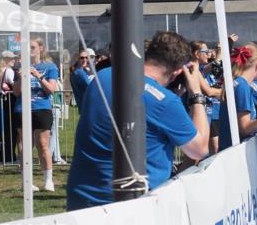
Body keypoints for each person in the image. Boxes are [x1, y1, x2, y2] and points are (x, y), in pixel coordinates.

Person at [67, 32, 213, 210]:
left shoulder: (103, 76)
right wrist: (196, 93)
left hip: (82, 198)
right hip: (131, 206)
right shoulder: (165, 102)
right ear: (177, 72)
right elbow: (199, 149)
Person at [13, 38, 60, 191]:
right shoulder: (19, 66)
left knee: (43, 144)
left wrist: (38, 76)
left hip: (42, 108)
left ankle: (48, 180)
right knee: (24, 145)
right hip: (22, 108)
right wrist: (20, 77)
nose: (29, 50)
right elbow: (16, 92)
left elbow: (51, 89)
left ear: (41, 48)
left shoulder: (50, 67)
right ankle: (26, 181)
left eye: (32, 47)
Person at [192, 41, 224, 156]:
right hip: (197, 113)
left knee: (208, 151)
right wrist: (228, 92)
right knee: (195, 155)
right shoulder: (193, 68)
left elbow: (215, 65)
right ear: (196, 54)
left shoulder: (199, 68)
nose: (208, 54)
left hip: (208, 113)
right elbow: (208, 91)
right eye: (205, 52)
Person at [0, 52, 17, 163]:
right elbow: (14, 85)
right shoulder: (9, 71)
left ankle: (2, 156)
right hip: (8, 102)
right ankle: (9, 156)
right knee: (11, 130)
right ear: (6, 59)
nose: (14, 60)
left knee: (3, 131)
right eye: (12, 58)